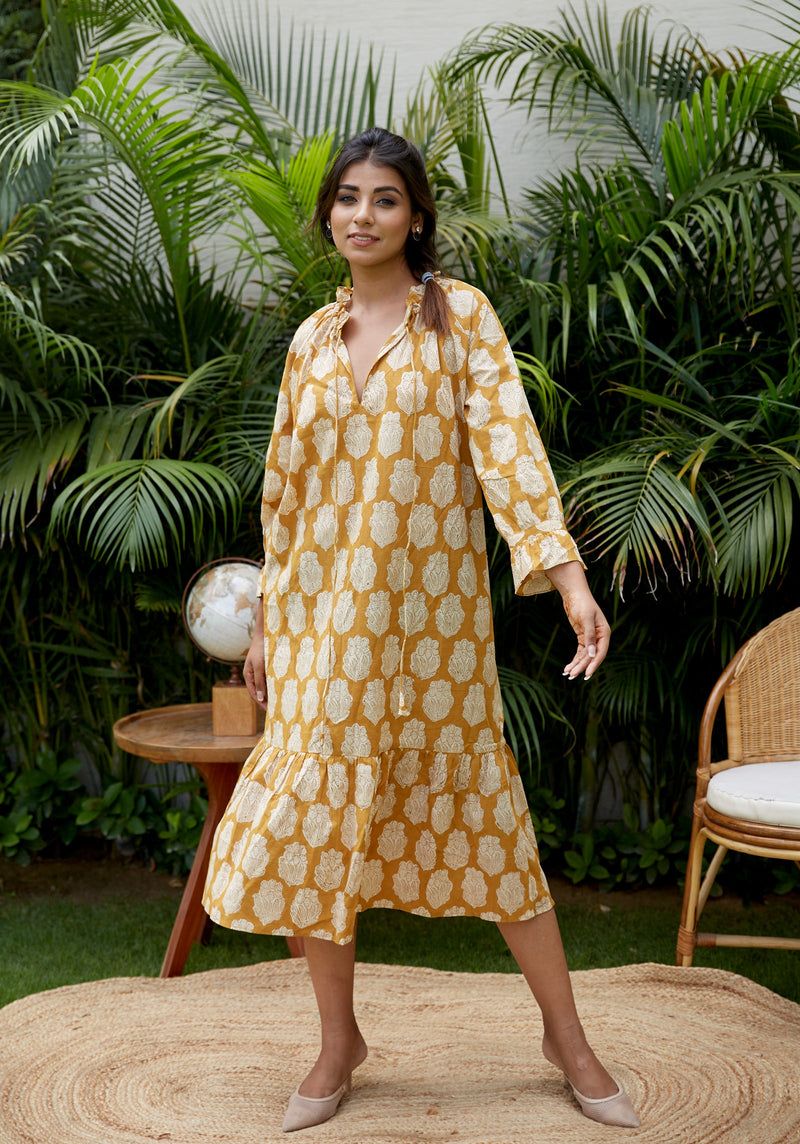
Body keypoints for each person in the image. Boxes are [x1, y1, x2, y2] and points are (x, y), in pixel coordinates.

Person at [202, 127, 639, 1133]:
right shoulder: (311, 340)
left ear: (415, 216)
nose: (363, 215)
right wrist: (266, 622)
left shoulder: (461, 318)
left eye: (385, 199)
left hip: (432, 637)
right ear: (328, 214)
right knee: (319, 832)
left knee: (491, 829)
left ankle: (567, 1041)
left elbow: (511, 455)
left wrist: (569, 581)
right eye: (347, 197)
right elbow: (284, 495)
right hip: (319, 628)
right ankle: (336, 1044)